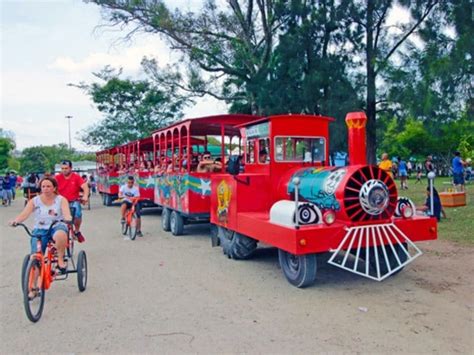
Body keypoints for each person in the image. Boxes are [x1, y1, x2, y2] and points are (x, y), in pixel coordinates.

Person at [9, 176, 72, 274]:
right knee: (35, 255)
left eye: (48, 186)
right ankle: (34, 286)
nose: (45, 189)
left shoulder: (61, 200)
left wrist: (68, 218)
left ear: (54, 188)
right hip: (40, 229)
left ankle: (60, 260)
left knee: (60, 234)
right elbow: (25, 213)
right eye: (43, 186)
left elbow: (66, 212)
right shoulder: (35, 200)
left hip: (56, 226)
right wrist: (16, 221)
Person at [55, 160, 89, 242]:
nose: (64, 170)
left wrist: (85, 196)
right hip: (61, 201)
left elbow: (85, 187)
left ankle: (76, 231)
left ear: (70, 168)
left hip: (73, 200)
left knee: (77, 214)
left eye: (66, 168)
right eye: (62, 168)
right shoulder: (57, 178)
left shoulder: (76, 177)